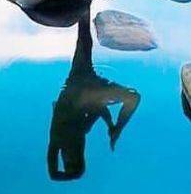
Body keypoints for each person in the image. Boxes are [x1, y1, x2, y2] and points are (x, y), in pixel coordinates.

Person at [46, 11, 141, 181]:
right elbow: (98, 109)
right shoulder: (81, 133)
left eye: (69, 160)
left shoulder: (58, 138)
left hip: (79, 82)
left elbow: (53, 173)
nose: (71, 156)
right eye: (76, 158)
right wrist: (112, 125)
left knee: (84, 40)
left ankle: (84, 4)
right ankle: (118, 129)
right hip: (90, 88)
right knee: (133, 97)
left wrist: (71, 175)